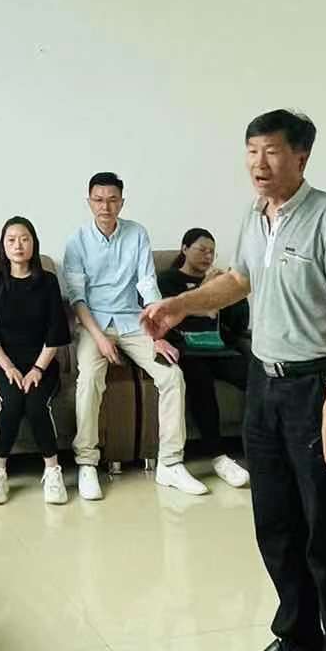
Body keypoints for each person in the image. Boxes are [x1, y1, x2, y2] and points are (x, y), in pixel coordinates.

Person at [142, 110, 326, 651]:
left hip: (317, 388)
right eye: (251, 151)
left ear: (301, 157)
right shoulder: (254, 216)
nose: (258, 164)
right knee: (276, 526)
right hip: (265, 388)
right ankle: (297, 642)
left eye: (271, 152)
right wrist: (180, 304)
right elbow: (239, 280)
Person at [62, 171, 206, 499]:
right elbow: (77, 299)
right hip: (94, 324)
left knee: (172, 376)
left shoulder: (137, 234)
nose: (105, 206)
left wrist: (157, 332)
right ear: (89, 202)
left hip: (133, 321)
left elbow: (147, 284)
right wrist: (100, 339)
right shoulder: (76, 242)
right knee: (89, 379)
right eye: (98, 200)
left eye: (112, 200)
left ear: (122, 202)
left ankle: (170, 463)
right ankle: (87, 463)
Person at [0, 216, 72, 505]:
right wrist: (9, 367)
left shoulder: (48, 281)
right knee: (13, 401)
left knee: (36, 403)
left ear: (33, 244)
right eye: (12, 240)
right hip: (7, 364)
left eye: (24, 239)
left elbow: (55, 333)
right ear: (3, 245)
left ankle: (52, 472)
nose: (18, 245)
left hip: (43, 363)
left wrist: (38, 368)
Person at [158, 228, 252, 488]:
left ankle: (257, 448)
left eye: (212, 252)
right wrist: (204, 290)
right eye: (202, 250)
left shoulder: (220, 281)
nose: (208, 256)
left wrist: (235, 294)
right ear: (184, 249)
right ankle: (218, 456)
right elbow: (168, 316)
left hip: (220, 349)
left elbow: (238, 324)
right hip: (187, 351)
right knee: (201, 383)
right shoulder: (167, 280)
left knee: (257, 379)